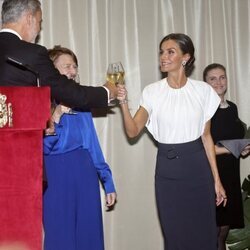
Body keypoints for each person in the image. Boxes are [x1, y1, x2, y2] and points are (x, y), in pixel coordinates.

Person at [117, 33, 227, 250]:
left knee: (205, 234)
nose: (163, 57)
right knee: (175, 236)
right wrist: (123, 103)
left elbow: (206, 137)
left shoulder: (203, 91)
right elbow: (132, 131)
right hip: (168, 170)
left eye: (170, 52)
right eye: (161, 52)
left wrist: (217, 180)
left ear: (185, 57)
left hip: (198, 168)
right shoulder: (153, 92)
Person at [43, 45, 117, 250]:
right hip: (55, 175)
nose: (73, 71)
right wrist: (55, 116)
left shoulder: (81, 103)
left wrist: (107, 179)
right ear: (51, 71)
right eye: (67, 66)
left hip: (85, 172)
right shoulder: (40, 103)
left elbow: (92, 143)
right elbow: (44, 148)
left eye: (75, 66)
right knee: (60, 235)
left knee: (89, 234)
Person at [0, 0, 117, 109]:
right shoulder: (33, 54)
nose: (39, 29)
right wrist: (107, 91)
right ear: (29, 19)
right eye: (39, 22)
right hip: (15, 130)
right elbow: (67, 92)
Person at [203, 63, 250, 250]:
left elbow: (234, 141)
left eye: (222, 77)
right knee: (215, 233)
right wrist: (233, 148)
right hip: (213, 177)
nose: (218, 82)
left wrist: (243, 148)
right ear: (205, 83)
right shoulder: (204, 111)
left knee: (223, 232)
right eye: (212, 79)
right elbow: (202, 148)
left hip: (231, 175)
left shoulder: (232, 108)